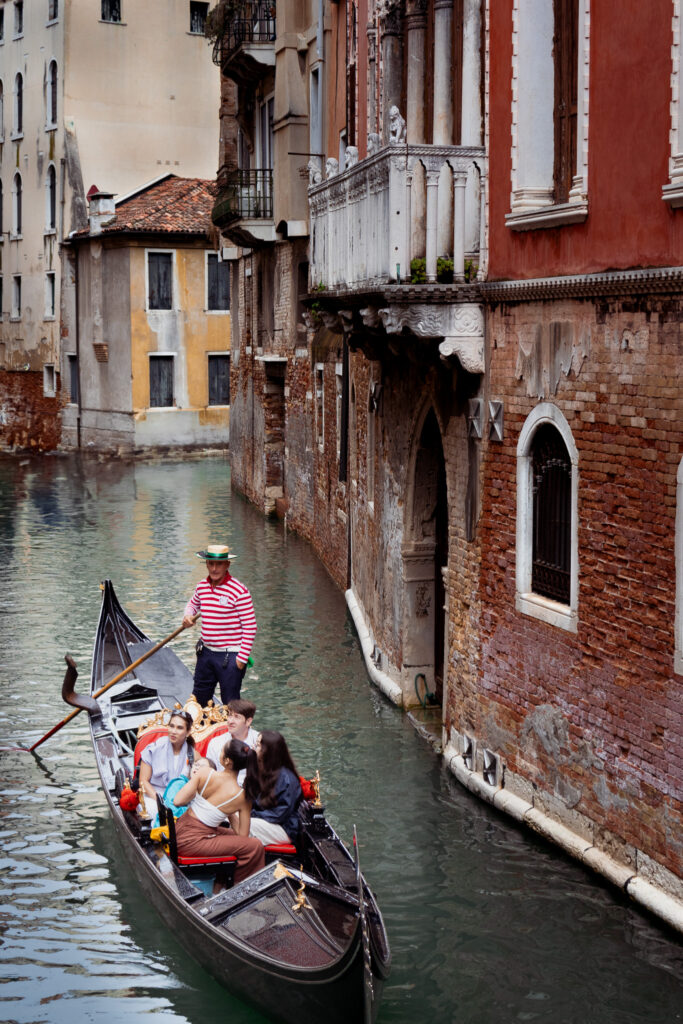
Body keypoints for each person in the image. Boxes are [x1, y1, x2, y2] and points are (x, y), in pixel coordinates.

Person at [172, 739, 265, 886]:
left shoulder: (205, 772)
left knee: (239, 839)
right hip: (191, 842)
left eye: (222, 750)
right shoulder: (242, 797)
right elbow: (244, 836)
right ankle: (242, 887)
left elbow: (178, 800)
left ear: (227, 761)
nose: (219, 753)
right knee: (255, 846)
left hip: (180, 830)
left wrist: (221, 807)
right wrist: (227, 809)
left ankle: (220, 884)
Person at [182, 544, 257, 707]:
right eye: (211, 563)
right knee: (198, 700)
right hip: (206, 653)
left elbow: (250, 627)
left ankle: (234, 732)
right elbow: (193, 605)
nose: (214, 568)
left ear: (227, 565)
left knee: (231, 704)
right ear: (207, 564)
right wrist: (188, 615)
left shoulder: (239, 591)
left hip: (230, 657)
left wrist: (241, 660)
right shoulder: (202, 586)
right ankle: (199, 731)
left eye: (219, 564)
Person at [250, 730, 303, 846]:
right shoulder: (263, 770)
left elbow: (279, 815)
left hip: (283, 828)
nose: (254, 747)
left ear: (268, 751)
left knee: (242, 824)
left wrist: (250, 814)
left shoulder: (287, 779)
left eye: (258, 745)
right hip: (264, 821)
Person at [138, 709, 194, 809]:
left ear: (188, 732)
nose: (173, 731)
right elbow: (143, 781)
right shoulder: (152, 749)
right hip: (154, 797)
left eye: (179, 728)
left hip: (180, 798)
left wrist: (178, 800)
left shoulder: (193, 755)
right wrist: (161, 801)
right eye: (171, 726)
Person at [205, 699, 258, 773]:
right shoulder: (215, 743)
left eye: (237, 717)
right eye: (229, 715)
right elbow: (210, 773)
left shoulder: (259, 741)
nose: (230, 721)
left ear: (248, 721)